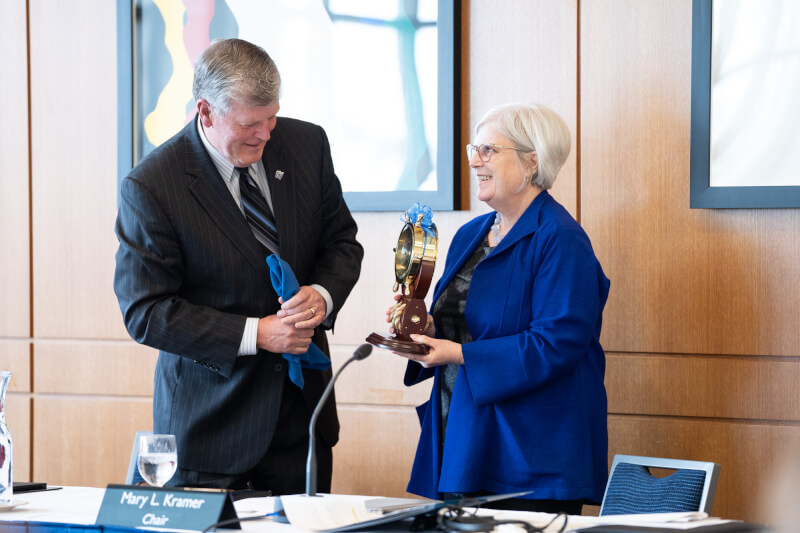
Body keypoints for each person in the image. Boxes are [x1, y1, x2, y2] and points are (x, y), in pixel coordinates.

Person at [114, 38, 363, 494]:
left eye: (272, 118)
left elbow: (342, 243)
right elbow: (145, 311)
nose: (265, 135)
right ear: (205, 111)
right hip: (211, 431)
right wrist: (257, 333)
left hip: (301, 420)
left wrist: (322, 296)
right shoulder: (153, 184)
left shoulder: (307, 144)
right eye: (250, 124)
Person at [393, 103, 610, 514]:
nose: (475, 161)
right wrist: (421, 333)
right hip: (464, 437)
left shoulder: (562, 239)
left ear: (532, 162)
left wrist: (456, 354)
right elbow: (461, 323)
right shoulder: (471, 234)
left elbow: (556, 345)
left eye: (489, 150)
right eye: (475, 149)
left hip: (531, 454)